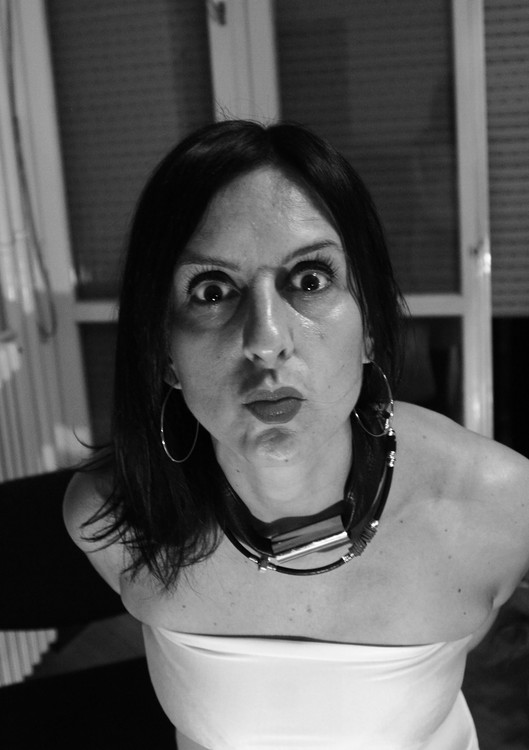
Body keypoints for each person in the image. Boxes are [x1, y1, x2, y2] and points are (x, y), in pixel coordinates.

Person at [64, 120, 529, 750]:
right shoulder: (111, 519)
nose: (265, 340)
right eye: (211, 290)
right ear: (164, 351)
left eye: (310, 280)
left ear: (369, 325)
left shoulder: (502, 507)